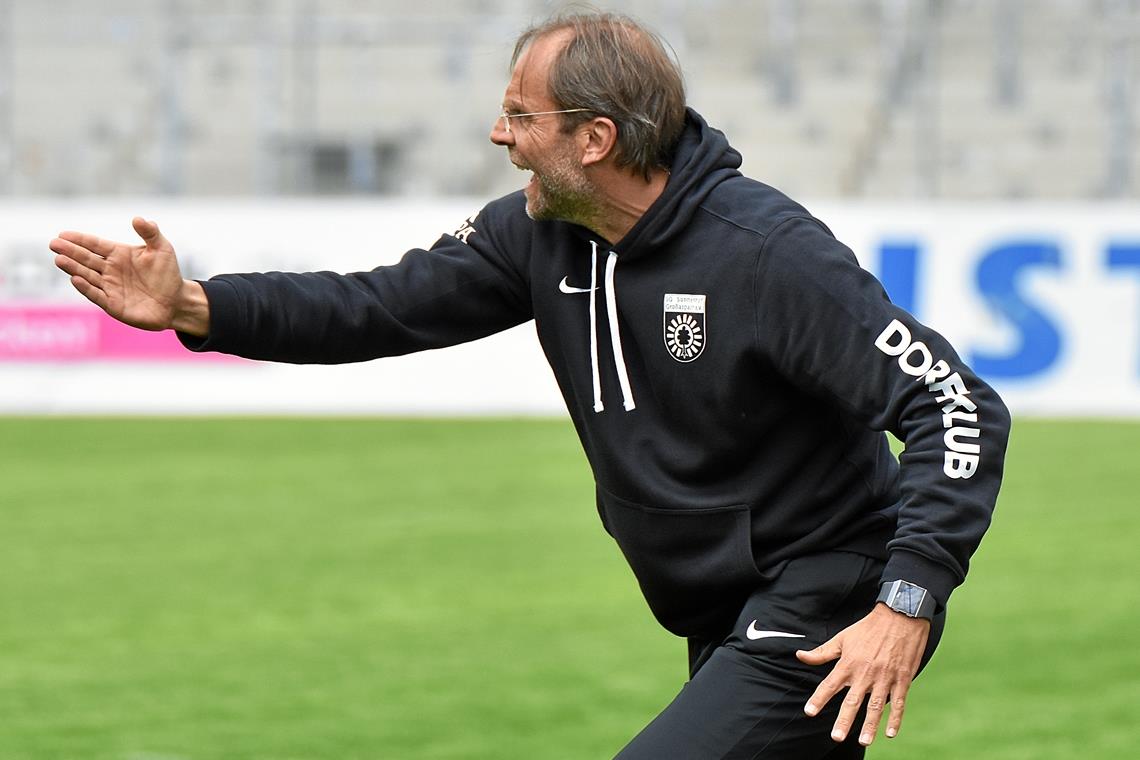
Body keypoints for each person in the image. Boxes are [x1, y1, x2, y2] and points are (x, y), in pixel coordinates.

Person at [49, 10, 1010, 759]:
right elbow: (382, 306)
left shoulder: (766, 254)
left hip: (825, 596)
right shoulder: (536, 233)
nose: (499, 135)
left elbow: (955, 403)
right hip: (715, 603)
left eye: (520, 115)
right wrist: (196, 306)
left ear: (595, 138)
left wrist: (905, 601)